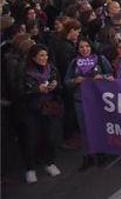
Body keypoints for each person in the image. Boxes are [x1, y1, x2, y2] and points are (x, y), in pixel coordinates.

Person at [63, 38, 112, 170]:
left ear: (91, 47)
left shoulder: (101, 60)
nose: (85, 49)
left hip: (98, 99)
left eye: (87, 47)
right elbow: (66, 81)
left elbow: (111, 75)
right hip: (81, 100)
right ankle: (87, 156)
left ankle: (102, 154)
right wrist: (75, 81)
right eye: (81, 47)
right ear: (78, 50)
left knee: (99, 126)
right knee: (84, 129)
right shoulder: (74, 63)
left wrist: (103, 77)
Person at [19, 44, 64, 184]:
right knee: (32, 139)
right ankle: (30, 168)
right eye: (41, 56)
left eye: (46, 55)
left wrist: (55, 86)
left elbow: (60, 88)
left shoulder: (52, 69)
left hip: (50, 108)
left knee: (50, 137)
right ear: (33, 58)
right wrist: (36, 89)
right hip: (32, 110)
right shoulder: (25, 72)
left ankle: (49, 162)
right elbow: (19, 92)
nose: (44, 58)